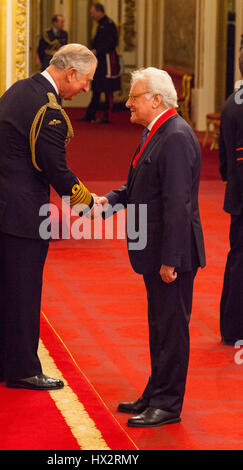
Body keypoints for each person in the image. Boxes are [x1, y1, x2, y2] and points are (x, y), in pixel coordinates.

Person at [0, 44, 97, 391]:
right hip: (22, 213)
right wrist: (87, 203)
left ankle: (2, 364)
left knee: (7, 290)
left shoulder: (19, 89)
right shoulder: (48, 109)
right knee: (24, 292)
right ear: (71, 74)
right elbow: (56, 168)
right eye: (85, 80)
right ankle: (24, 369)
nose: (85, 88)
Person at [96, 67, 206, 427]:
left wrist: (170, 259)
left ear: (156, 100)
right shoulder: (156, 132)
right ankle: (155, 391)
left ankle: (168, 404)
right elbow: (138, 189)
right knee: (159, 325)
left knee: (171, 329)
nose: (127, 102)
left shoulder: (174, 136)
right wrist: (107, 201)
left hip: (168, 254)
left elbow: (178, 204)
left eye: (134, 97)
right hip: (155, 250)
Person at [219, 49, 243, 345]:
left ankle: (232, 327)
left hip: (237, 193)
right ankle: (236, 329)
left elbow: (226, 165)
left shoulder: (232, 101)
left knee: (237, 259)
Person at [80, 3, 121, 123]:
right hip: (99, 61)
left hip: (108, 61)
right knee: (97, 86)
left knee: (108, 88)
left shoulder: (109, 25)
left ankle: (107, 116)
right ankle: (90, 115)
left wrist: (97, 50)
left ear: (99, 12)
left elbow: (112, 43)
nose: (91, 15)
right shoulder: (100, 25)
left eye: (93, 12)